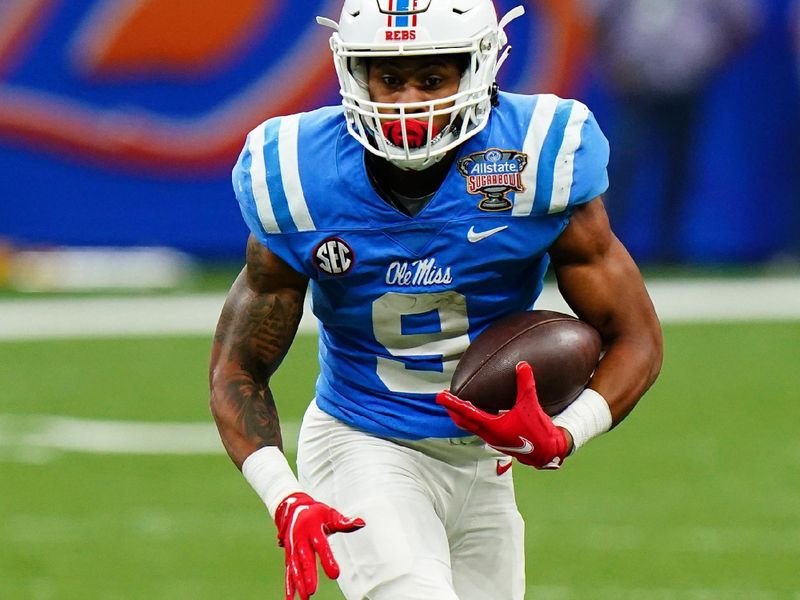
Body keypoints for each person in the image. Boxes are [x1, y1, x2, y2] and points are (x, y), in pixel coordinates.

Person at [209, 1, 663, 599]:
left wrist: (568, 432)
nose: (408, 102)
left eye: (431, 78)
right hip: (364, 444)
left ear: (478, 69)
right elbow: (237, 369)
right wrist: (284, 495)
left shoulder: (535, 159)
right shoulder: (299, 175)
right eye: (390, 78)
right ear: (354, 72)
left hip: (484, 465)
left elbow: (637, 337)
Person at [580, 0, 761, 263]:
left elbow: (743, 22)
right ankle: (604, 246)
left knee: (679, 169)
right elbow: (595, 18)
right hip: (635, 82)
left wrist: (706, 58)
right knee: (620, 168)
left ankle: (669, 249)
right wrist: (611, 63)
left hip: (686, 83)